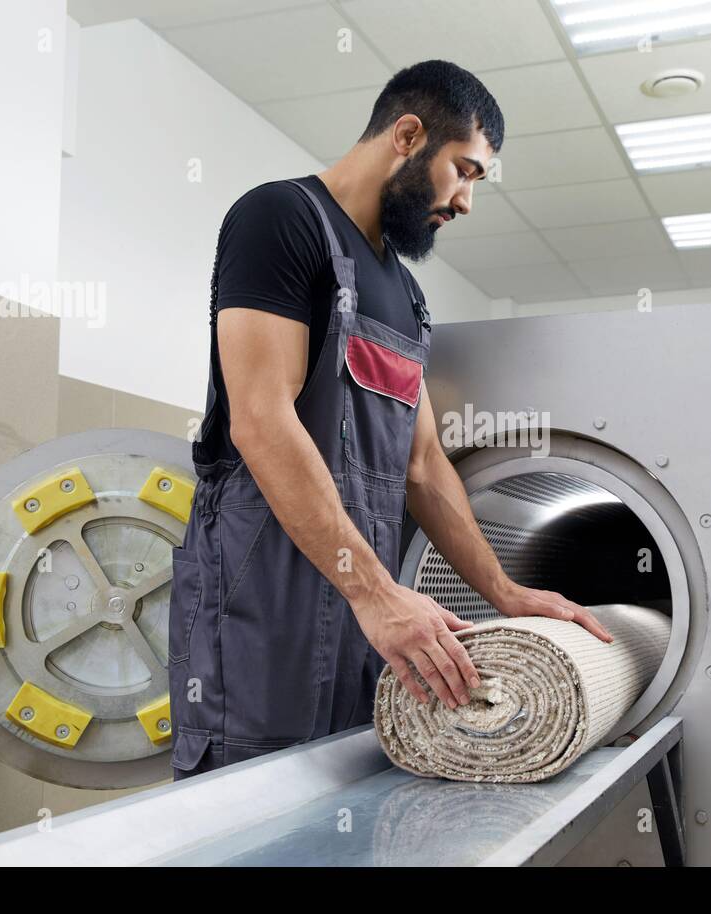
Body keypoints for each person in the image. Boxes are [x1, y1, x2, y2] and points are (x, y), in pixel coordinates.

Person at [168, 60, 613, 779]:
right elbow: (260, 418)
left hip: (361, 607)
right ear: (409, 135)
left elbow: (424, 465)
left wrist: (504, 591)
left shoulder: (404, 292)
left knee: (345, 796)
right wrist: (375, 593)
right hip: (263, 604)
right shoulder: (280, 218)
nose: (466, 200)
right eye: (463, 170)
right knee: (250, 804)